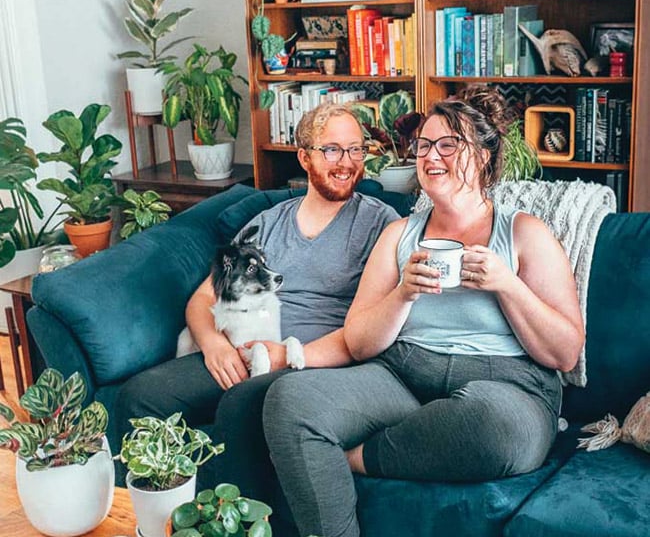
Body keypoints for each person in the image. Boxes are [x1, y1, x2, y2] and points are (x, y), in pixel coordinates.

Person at [262, 86, 586, 537]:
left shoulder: (523, 233)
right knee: (290, 400)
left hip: (506, 385)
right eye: (425, 145)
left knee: (494, 426)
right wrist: (403, 294)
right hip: (403, 376)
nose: (432, 156)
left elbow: (566, 354)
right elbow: (357, 341)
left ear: (485, 156)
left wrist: (506, 285)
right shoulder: (398, 235)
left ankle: (356, 457)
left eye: (449, 144)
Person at [113, 102, 400, 531]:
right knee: (140, 397)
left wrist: (283, 355)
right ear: (304, 157)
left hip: (309, 362)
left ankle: (231, 528)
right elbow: (202, 297)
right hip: (241, 352)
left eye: (356, 150)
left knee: (241, 405)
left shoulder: (381, 223)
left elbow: (378, 324)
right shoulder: (267, 223)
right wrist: (213, 344)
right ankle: (148, 524)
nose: (347, 164)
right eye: (333, 150)